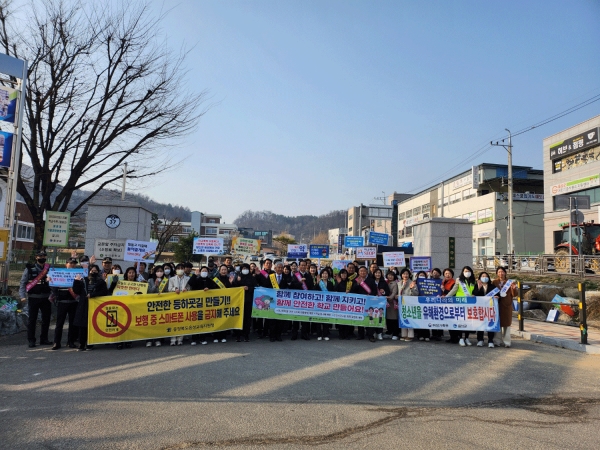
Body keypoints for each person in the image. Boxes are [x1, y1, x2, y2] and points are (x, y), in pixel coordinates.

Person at [20, 250, 52, 348]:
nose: (42, 257)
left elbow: (57, 280)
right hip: (33, 298)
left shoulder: (50, 268)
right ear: (36, 257)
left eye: (44, 256)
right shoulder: (29, 269)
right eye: (40, 256)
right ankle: (31, 340)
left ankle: (44, 339)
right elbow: (23, 282)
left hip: (46, 297)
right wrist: (22, 296)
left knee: (46, 319)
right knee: (32, 320)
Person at [73, 264, 108, 351]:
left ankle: (90, 343)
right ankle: (81, 344)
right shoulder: (84, 280)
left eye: (95, 271)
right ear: (89, 271)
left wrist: (92, 295)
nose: (93, 272)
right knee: (82, 325)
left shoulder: (101, 282)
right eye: (92, 271)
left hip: (95, 305)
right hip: (83, 305)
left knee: (92, 325)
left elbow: (104, 292)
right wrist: (76, 281)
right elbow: (76, 291)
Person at [50, 257, 80, 350]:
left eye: (74, 263)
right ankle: (56, 342)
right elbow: (54, 288)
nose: (72, 265)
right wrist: (51, 281)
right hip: (62, 302)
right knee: (59, 323)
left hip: (73, 302)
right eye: (70, 263)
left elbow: (80, 289)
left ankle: (70, 342)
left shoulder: (78, 274)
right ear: (66, 264)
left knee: (72, 323)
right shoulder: (59, 273)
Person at [446, 265, 477, 347]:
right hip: (459, 303)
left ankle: (466, 337)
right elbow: (454, 290)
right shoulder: (459, 280)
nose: (467, 272)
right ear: (463, 272)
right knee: (460, 321)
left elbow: (475, 291)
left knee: (468, 321)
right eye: (465, 271)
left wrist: (474, 294)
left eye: (468, 271)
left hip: (469, 304)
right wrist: (446, 297)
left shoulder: (473, 281)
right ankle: (460, 338)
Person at [492, 267, 518, 348]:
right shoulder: (494, 282)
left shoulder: (509, 282)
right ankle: (497, 341)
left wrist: (514, 289)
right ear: (497, 273)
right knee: (497, 323)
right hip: (497, 305)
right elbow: (491, 292)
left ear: (505, 273)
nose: (501, 273)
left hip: (507, 306)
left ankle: (507, 342)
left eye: (502, 272)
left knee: (507, 324)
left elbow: (515, 294)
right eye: (499, 272)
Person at [351, 266, 378, 341]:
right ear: (358, 272)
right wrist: (358, 284)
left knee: (369, 318)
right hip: (359, 303)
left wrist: (370, 295)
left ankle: (370, 335)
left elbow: (374, 291)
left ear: (366, 272)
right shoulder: (355, 280)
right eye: (361, 271)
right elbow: (353, 291)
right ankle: (360, 334)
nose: (362, 272)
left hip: (369, 302)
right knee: (360, 318)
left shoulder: (371, 280)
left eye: (364, 271)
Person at [168, 263, 190, 346]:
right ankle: (173, 339)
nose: (180, 270)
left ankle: (180, 339)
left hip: (184, 301)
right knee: (174, 320)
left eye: (182, 268)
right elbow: (169, 289)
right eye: (178, 268)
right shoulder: (172, 279)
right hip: (174, 302)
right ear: (176, 270)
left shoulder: (188, 278)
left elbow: (190, 288)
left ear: (184, 270)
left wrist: (187, 289)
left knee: (182, 320)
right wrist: (175, 289)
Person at [473, 271, 497, 348]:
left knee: (490, 324)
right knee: (480, 324)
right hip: (480, 309)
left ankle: (490, 340)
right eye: (482, 276)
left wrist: (497, 297)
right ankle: (480, 340)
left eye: (486, 276)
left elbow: (498, 295)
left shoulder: (492, 286)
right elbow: (474, 294)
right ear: (480, 278)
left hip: (490, 309)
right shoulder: (477, 286)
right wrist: (479, 287)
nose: (484, 277)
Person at [211, 264, 234, 343]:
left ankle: (223, 336)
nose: (224, 271)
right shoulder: (215, 279)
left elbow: (232, 291)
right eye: (222, 270)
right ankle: (215, 336)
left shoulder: (229, 279)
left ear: (227, 271)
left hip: (226, 303)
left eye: (225, 270)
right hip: (217, 302)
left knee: (224, 319)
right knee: (216, 319)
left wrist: (231, 283)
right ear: (219, 271)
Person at [235, 263, 257, 342]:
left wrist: (249, 288)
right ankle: (238, 335)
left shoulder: (252, 278)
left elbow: (255, 287)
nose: (245, 270)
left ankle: (246, 335)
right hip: (239, 301)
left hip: (248, 301)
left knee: (247, 318)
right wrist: (237, 281)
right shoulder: (238, 277)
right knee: (239, 318)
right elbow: (233, 288)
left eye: (246, 268)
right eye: (243, 268)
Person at [398, 268, 418, 341]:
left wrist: (411, 289)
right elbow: (398, 292)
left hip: (409, 303)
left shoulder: (412, 283)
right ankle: (403, 334)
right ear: (401, 275)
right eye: (404, 274)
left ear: (409, 275)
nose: (405, 275)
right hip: (401, 303)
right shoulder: (399, 283)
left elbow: (416, 294)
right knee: (402, 318)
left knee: (409, 319)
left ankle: (410, 335)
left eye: (407, 274)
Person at [316, 268, 334, 341]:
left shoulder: (330, 283)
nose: (325, 275)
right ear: (321, 275)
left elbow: (333, 292)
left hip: (327, 304)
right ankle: (319, 334)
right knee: (318, 320)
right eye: (323, 273)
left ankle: (325, 334)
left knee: (326, 319)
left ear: (328, 275)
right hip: (319, 304)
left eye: (326, 273)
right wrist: (317, 284)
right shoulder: (319, 282)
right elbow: (314, 291)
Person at [335, 269, 354, 340]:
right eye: (342, 274)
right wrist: (338, 283)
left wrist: (349, 291)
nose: (344, 275)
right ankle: (341, 334)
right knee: (340, 319)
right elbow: (334, 289)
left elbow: (353, 290)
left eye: (345, 274)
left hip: (348, 303)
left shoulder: (350, 282)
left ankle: (347, 334)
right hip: (340, 304)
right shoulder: (338, 281)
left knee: (347, 319)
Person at [372, 268, 390, 341]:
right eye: (376, 273)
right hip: (372, 302)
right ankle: (373, 332)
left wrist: (384, 292)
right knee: (373, 317)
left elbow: (388, 292)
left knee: (380, 317)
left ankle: (379, 333)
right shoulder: (371, 281)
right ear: (374, 274)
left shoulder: (384, 282)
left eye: (379, 273)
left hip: (381, 303)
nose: (377, 274)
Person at [429, 268, 445, 341]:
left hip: (440, 302)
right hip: (431, 302)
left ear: (440, 274)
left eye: (437, 272)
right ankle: (434, 334)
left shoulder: (442, 281)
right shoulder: (429, 281)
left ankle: (440, 334)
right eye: (434, 272)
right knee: (433, 318)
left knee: (440, 317)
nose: (435, 274)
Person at [385, 270, 400, 340]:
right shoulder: (386, 282)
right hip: (387, 303)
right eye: (389, 275)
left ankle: (395, 333)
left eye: (391, 275)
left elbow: (394, 292)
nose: (390, 276)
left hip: (393, 303)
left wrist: (390, 298)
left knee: (394, 319)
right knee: (388, 319)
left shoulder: (395, 283)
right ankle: (389, 332)